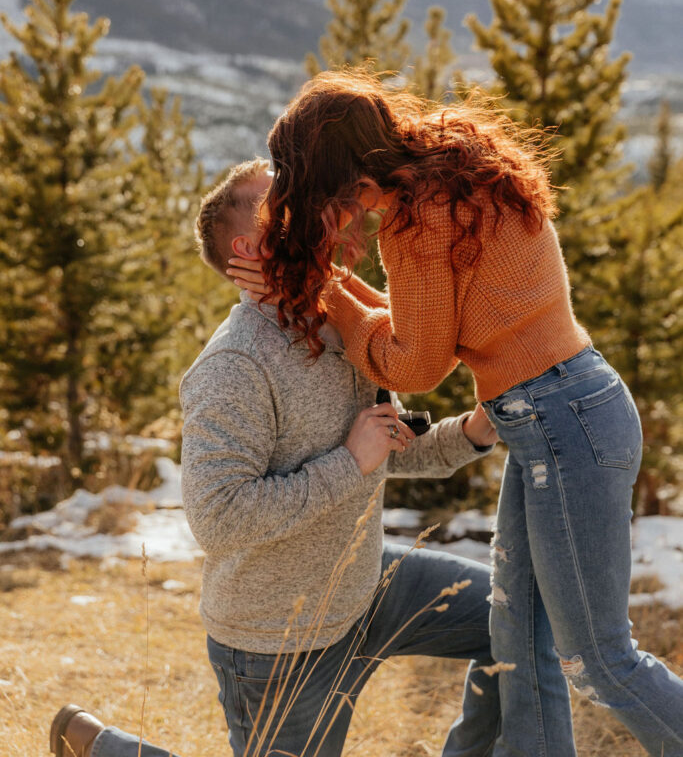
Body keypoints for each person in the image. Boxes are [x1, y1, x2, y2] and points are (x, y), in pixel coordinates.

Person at [229, 73, 683, 757]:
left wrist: (327, 290)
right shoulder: (451, 169)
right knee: (517, 637)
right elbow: (422, 322)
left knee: (597, 658)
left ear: (339, 174)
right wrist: (335, 286)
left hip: (561, 422)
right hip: (562, 413)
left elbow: (414, 363)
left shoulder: (415, 221)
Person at [50, 157, 500, 757]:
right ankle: (101, 746)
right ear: (251, 245)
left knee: (519, 620)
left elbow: (381, 444)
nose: (309, 207)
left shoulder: (336, 321)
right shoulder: (234, 365)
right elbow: (219, 518)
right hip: (278, 641)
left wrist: (470, 432)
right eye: (280, 203)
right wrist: (348, 461)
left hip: (365, 584)